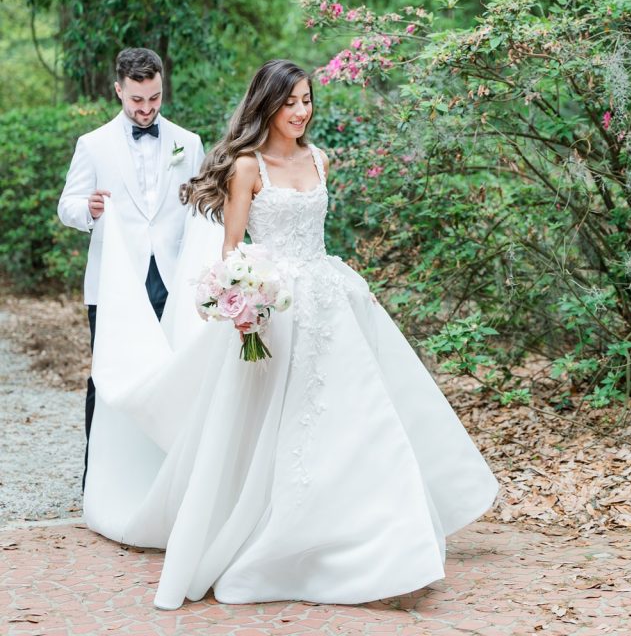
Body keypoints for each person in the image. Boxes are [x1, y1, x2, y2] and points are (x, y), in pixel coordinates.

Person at [82, 59, 498, 610]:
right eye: (290, 102)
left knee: (361, 418)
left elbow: (316, 238)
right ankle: (276, 540)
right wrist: (243, 302)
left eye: (306, 100)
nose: (302, 112)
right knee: (278, 432)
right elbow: (232, 251)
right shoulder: (247, 167)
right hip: (274, 313)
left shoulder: (321, 159)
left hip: (330, 306)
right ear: (268, 105)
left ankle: (386, 542)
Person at [57, 47, 204, 485]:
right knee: (108, 377)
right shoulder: (93, 144)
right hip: (114, 283)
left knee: (172, 377)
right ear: (119, 90)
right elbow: (67, 206)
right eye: (137, 99)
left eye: (154, 98)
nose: (146, 109)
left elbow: (200, 207)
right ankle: (100, 482)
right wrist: (88, 209)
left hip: (173, 279)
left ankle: (163, 480)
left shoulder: (188, 142)